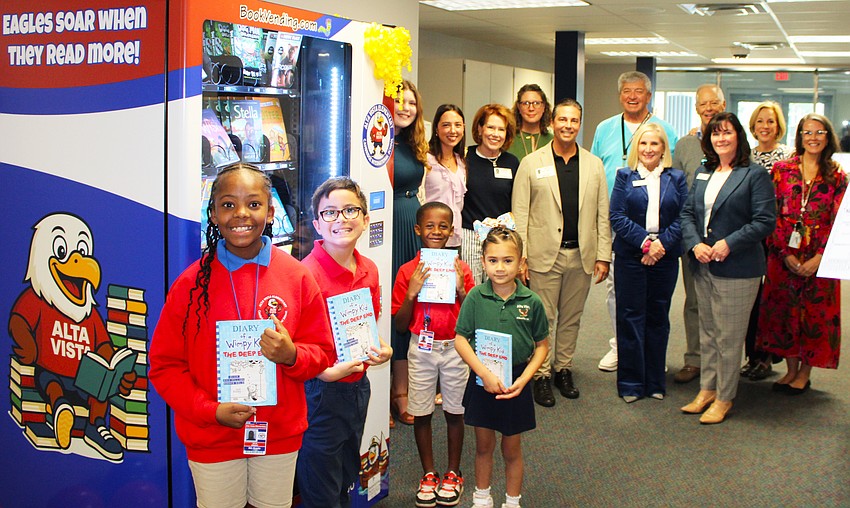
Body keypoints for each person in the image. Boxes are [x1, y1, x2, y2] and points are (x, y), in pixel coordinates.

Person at [149, 163, 335, 508]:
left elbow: (323, 351)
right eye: (228, 204)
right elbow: (164, 366)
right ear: (214, 212)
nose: (241, 215)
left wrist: (292, 355)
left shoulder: (296, 277)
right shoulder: (190, 284)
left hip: (278, 433)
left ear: (270, 210)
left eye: (253, 203)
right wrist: (210, 410)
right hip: (212, 434)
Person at [296, 177, 393, 508]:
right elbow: (294, 347)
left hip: (357, 386)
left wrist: (383, 348)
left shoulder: (369, 269)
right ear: (316, 224)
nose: (341, 219)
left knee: (347, 474)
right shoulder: (305, 276)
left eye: (351, 210)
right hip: (320, 393)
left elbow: (367, 326)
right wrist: (325, 372)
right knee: (320, 483)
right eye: (330, 213)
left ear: (365, 219)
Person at [512, 98, 612, 406]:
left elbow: (602, 213)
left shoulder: (593, 165)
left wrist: (603, 255)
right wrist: (522, 255)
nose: (568, 126)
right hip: (543, 255)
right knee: (545, 319)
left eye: (574, 121)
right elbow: (521, 212)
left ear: (579, 125)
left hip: (581, 254)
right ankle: (540, 374)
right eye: (562, 120)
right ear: (552, 123)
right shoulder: (532, 163)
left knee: (572, 317)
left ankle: (563, 368)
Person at [679, 113, 776, 424]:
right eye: (715, 134)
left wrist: (729, 243)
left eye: (727, 133)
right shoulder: (704, 170)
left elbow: (764, 221)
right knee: (707, 333)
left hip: (738, 266)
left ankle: (724, 396)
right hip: (703, 263)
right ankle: (707, 389)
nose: (721, 139)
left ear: (738, 137)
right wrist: (695, 244)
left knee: (729, 337)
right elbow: (686, 215)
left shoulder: (753, 174)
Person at [452, 227, 550, 508]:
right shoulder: (474, 298)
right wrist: (483, 373)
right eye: (493, 260)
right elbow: (461, 340)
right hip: (484, 379)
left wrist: (525, 380)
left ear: (521, 263)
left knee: (512, 448)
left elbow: (542, 345)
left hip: (516, 382)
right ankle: (482, 498)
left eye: (508, 260)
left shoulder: (531, 302)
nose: (500, 267)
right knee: (483, 446)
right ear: (482, 262)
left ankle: (512, 501)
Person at [590, 71, 679, 373]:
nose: (632, 96)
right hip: (616, 218)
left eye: (638, 91)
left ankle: (651, 351)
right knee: (618, 288)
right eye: (626, 90)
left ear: (648, 95)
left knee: (654, 293)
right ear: (620, 95)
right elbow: (594, 167)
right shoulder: (604, 128)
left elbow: (674, 176)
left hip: (655, 224)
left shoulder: (664, 129)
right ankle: (621, 346)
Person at [392, 202, 476, 508]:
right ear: (417, 230)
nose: (436, 231)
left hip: (455, 348)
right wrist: (412, 293)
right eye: (429, 226)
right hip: (421, 347)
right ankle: (429, 473)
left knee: (455, 411)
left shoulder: (461, 269)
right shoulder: (406, 272)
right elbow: (400, 325)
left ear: (452, 231)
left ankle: (454, 471)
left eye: (443, 226)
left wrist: (461, 290)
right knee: (421, 411)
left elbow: (473, 319)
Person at [758, 113, 847, 395]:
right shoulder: (782, 170)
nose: (813, 138)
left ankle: (805, 373)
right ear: (799, 136)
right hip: (784, 255)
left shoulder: (838, 175)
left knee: (814, 316)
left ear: (828, 137)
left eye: (819, 132)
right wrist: (785, 253)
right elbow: (769, 215)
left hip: (820, 258)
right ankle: (791, 369)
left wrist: (820, 257)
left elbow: (841, 222)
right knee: (783, 313)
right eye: (807, 132)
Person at [609, 123, 688, 402]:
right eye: (643, 144)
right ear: (636, 148)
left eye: (654, 144)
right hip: (631, 255)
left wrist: (660, 244)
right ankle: (630, 383)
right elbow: (616, 216)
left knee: (657, 317)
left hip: (664, 256)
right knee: (630, 317)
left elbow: (683, 216)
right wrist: (645, 243)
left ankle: (655, 381)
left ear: (663, 148)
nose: (648, 149)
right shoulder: (624, 176)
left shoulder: (676, 178)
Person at [670, 84, 726, 384]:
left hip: (726, 240)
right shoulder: (684, 146)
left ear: (723, 103)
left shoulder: (734, 142)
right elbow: (677, 195)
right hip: (692, 239)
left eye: (714, 102)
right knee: (693, 300)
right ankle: (694, 358)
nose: (709, 108)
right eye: (703, 103)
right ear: (696, 108)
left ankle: (722, 363)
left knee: (725, 304)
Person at [740, 101, 793, 380]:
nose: (765, 127)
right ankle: (754, 356)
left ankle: (771, 355)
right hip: (749, 236)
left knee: (772, 298)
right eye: (760, 121)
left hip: (778, 236)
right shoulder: (744, 156)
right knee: (751, 298)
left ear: (779, 126)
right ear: (752, 126)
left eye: (770, 121)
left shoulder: (789, 157)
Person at [391, 80, 429, 427]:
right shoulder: (379, 141)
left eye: (412, 103)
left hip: (408, 226)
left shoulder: (413, 143)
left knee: (408, 304)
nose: (405, 107)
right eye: (399, 101)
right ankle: (385, 393)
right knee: (387, 308)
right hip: (383, 230)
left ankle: (403, 393)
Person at [462, 103, 520, 283]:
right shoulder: (464, 157)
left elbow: (517, 201)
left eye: (501, 129)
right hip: (470, 236)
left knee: (500, 286)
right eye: (490, 127)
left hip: (502, 236)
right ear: (479, 129)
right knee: (471, 287)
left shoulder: (512, 162)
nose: (495, 134)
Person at [425, 104, 467, 250]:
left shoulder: (461, 161)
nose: (453, 130)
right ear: (436, 129)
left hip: (454, 238)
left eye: (458, 125)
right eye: (446, 125)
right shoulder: (425, 159)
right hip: (430, 238)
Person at [507, 84, 553, 162]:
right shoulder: (508, 139)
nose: (531, 108)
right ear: (519, 107)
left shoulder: (552, 141)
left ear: (544, 106)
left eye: (536, 103)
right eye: (526, 103)